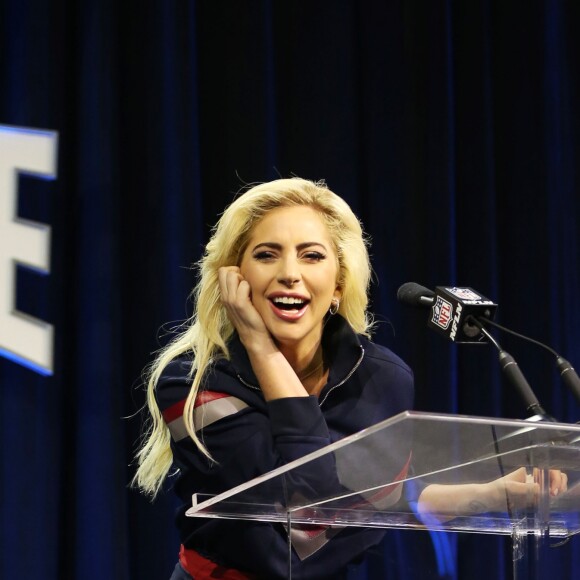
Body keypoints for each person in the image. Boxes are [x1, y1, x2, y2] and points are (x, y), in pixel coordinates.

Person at [133, 177, 567, 579]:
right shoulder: (190, 385)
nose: (289, 272)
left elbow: (376, 501)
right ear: (235, 280)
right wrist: (261, 348)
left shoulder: (381, 378)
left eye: (312, 255)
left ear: (338, 285)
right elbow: (296, 535)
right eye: (266, 254)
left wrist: (493, 496)